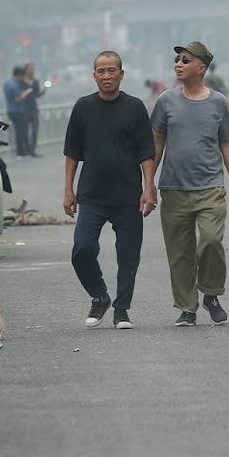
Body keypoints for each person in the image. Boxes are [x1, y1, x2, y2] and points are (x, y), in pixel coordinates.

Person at [150, 40, 229, 326]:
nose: (178, 64)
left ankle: (211, 293)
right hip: (174, 188)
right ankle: (187, 308)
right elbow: (157, 144)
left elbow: (227, 143)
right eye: (177, 60)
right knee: (179, 253)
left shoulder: (219, 103)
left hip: (210, 187)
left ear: (201, 67)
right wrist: (147, 184)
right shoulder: (166, 101)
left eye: (186, 60)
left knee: (211, 241)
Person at [64, 50, 157, 329]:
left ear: (121, 74)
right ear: (94, 76)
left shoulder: (135, 107)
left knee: (128, 256)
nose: (106, 76)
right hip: (92, 195)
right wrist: (68, 191)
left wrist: (148, 188)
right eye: (101, 71)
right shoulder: (83, 107)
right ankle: (99, 295)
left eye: (111, 70)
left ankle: (122, 310)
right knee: (82, 249)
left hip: (128, 195)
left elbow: (146, 153)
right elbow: (72, 153)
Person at [4, 65, 32, 156]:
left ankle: (19, 152)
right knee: (21, 132)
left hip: (10, 110)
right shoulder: (15, 85)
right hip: (18, 111)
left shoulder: (7, 83)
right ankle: (20, 152)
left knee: (18, 132)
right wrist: (26, 93)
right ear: (19, 75)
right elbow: (18, 99)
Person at [23, 61, 48, 157]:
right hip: (23, 109)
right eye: (30, 69)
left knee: (34, 131)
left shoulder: (35, 81)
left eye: (33, 70)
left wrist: (44, 90)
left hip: (33, 109)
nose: (32, 71)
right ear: (26, 71)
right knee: (24, 131)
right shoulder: (21, 82)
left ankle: (32, 150)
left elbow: (37, 95)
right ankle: (25, 150)